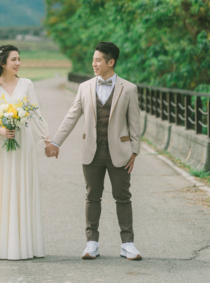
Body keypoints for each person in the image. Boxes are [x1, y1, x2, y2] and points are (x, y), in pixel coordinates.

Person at [45, 41, 142, 261]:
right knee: (92, 197)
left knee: (123, 198)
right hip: (91, 151)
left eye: (98, 60)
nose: (94, 64)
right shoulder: (84, 87)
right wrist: (55, 142)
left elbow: (135, 122)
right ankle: (92, 243)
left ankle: (128, 244)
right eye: (93, 59)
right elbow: (72, 116)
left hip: (120, 152)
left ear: (111, 62)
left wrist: (134, 151)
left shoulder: (129, 88)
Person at [0, 45, 51, 260]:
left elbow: (35, 114)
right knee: (2, 188)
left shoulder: (27, 84)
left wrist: (47, 139)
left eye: (19, 59)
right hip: (0, 146)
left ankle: (24, 245)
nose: (18, 63)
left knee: (21, 188)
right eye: (13, 59)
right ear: (2, 63)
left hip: (22, 144)